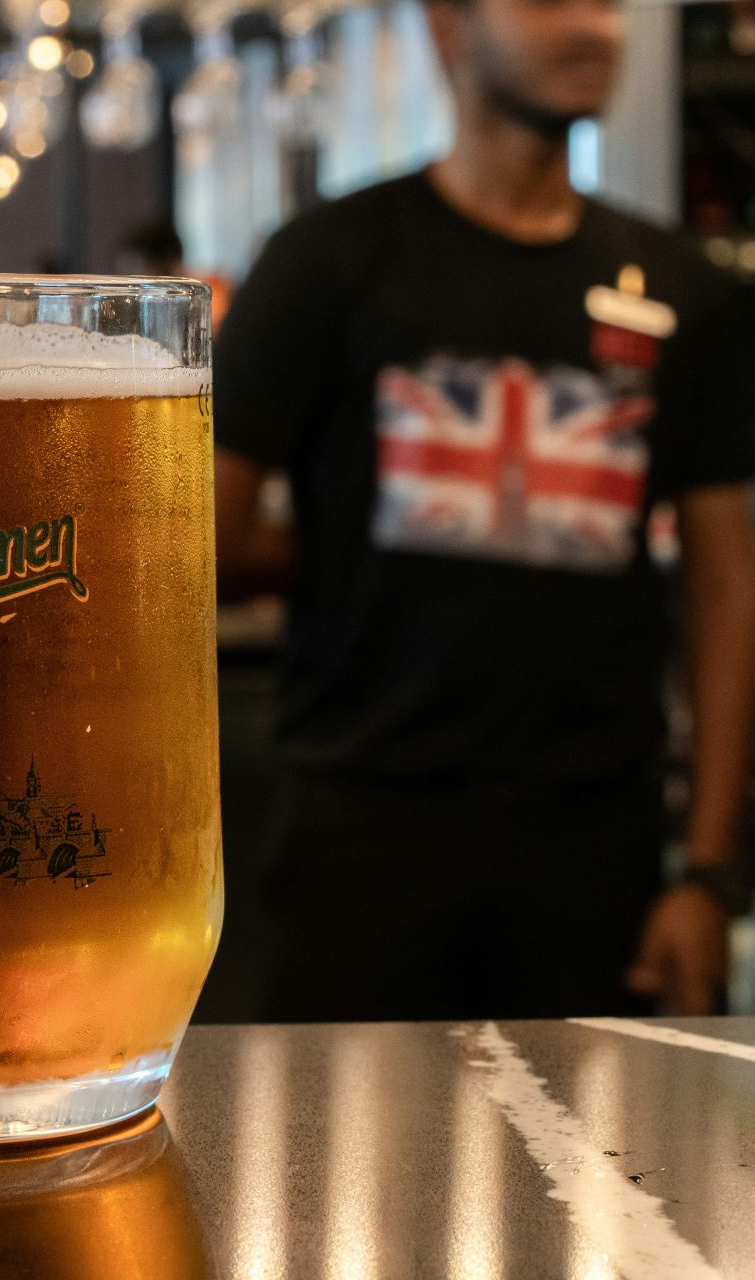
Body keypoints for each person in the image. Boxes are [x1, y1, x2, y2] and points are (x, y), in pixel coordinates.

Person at [214, 0, 755, 1019]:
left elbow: (729, 589)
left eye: (607, 1)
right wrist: (352, 543)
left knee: (592, 1170)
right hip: (363, 821)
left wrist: (711, 873)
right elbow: (200, 537)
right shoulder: (329, 260)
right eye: (549, 0)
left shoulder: (688, 291)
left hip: (597, 839)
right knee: (338, 1164)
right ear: (448, 32)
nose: (594, 25)